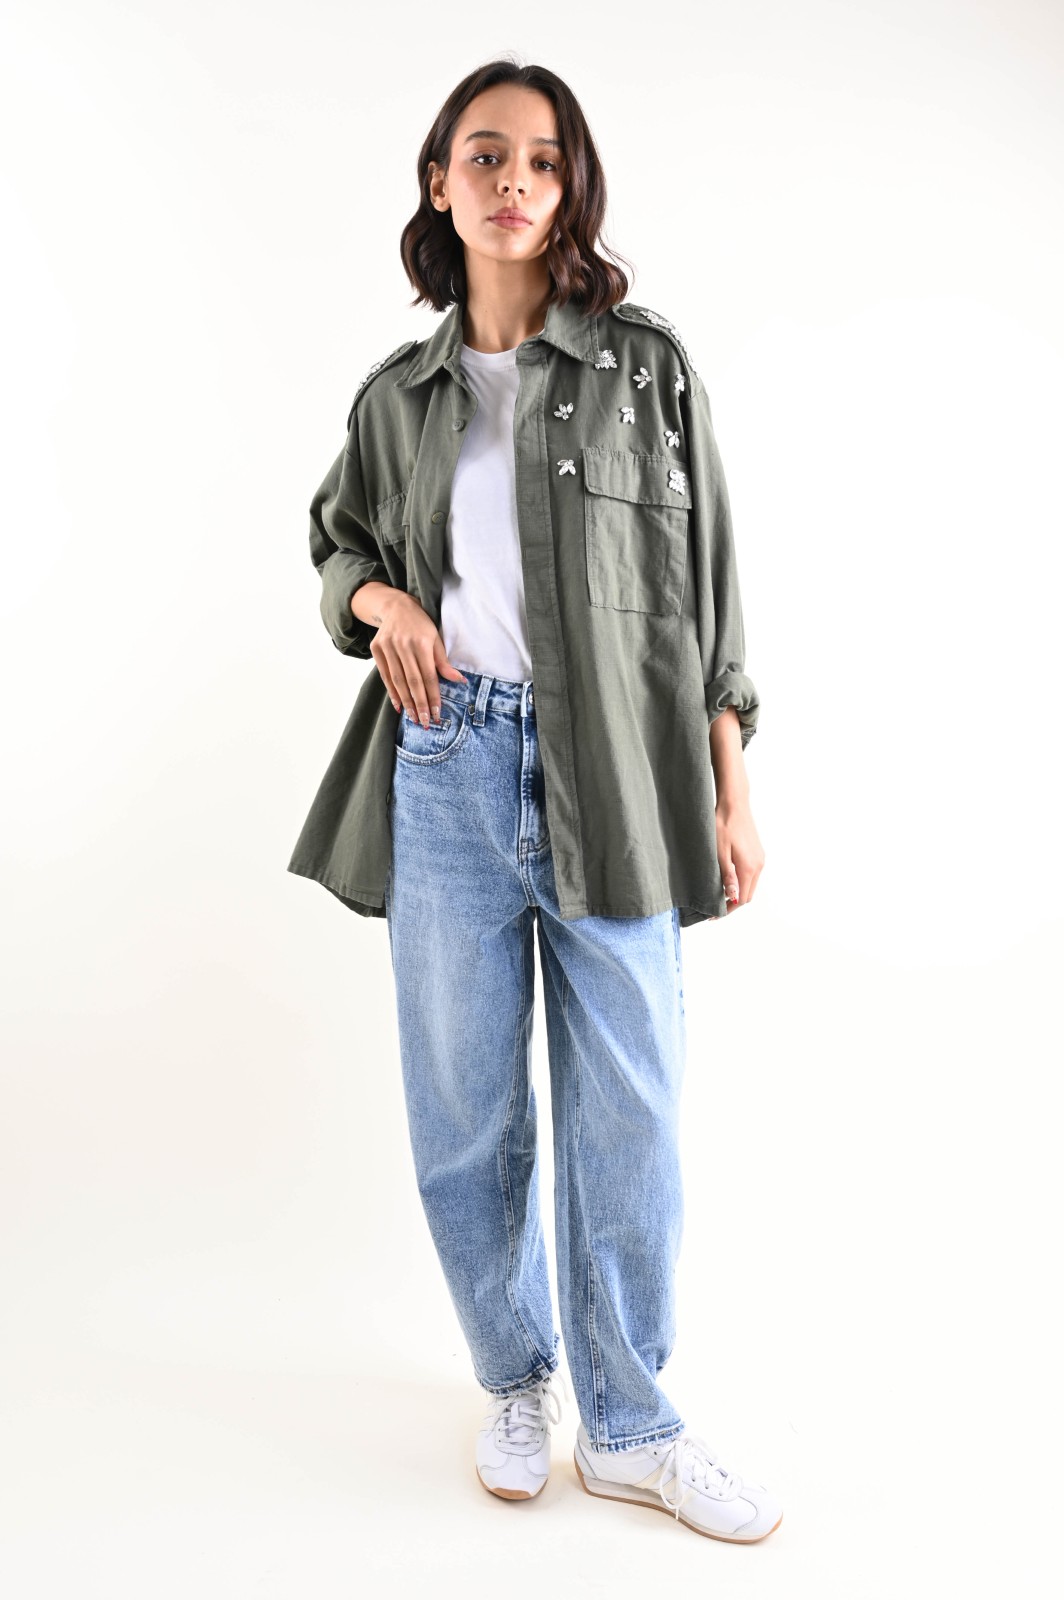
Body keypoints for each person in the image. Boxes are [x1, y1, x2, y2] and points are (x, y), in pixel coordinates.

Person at [288, 58, 781, 1544]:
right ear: (441, 182)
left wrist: (732, 789)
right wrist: (382, 601)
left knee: (632, 1109)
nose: (515, 180)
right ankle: (516, 1378)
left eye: (545, 160)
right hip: (445, 763)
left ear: (573, 189)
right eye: (487, 155)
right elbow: (332, 547)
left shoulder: (646, 368)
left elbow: (708, 597)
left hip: (615, 775)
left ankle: (631, 1424)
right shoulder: (398, 398)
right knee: (466, 1113)